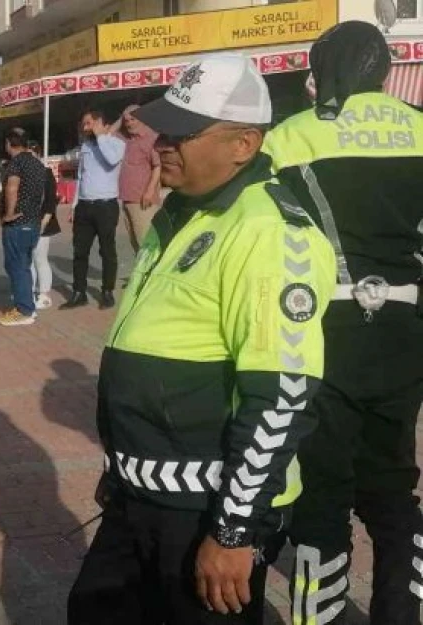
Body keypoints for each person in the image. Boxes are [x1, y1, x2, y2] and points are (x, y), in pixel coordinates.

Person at [67, 53, 337, 624]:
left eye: (186, 131)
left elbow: (282, 395)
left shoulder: (268, 233)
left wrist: (234, 530)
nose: (165, 142)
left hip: (208, 508)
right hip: (143, 494)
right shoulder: (181, 214)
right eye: (166, 126)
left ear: (244, 144)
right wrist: (123, 467)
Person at [260, 22, 423, 625]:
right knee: (394, 481)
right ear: (384, 71)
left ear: (319, 71)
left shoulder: (290, 136)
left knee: (322, 485)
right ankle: (399, 613)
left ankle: (318, 617)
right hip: (407, 328)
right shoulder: (421, 127)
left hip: (319, 327)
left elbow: (265, 234)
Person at [60, 108, 125, 310]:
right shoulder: (86, 147)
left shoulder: (117, 144)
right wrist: (74, 205)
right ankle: (79, 292)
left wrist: (101, 137)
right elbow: (81, 177)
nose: (85, 127)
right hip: (85, 206)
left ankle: (107, 291)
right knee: (80, 251)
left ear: (103, 124)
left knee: (107, 250)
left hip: (106, 205)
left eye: (90, 123)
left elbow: (111, 160)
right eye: (84, 124)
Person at [0, 128, 47, 326]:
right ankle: (27, 304)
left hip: (17, 223)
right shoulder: (37, 163)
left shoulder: (16, 163)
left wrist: (9, 214)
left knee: (16, 266)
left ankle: (24, 310)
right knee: (24, 266)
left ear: (9, 143)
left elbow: (12, 187)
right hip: (32, 222)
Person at [118, 104, 162, 254]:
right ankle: (141, 275)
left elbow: (157, 166)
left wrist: (149, 192)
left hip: (143, 200)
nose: (129, 123)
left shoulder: (151, 138)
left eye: (132, 119)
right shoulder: (127, 139)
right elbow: (107, 134)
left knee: (146, 243)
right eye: (126, 120)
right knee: (135, 243)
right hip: (127, 199)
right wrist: (122, 117)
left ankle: (151, 275)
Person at [27, 138, 61, 310]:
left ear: (38, 155)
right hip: (26, 222)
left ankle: (45, 294)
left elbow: (50, 200)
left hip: (42, 222)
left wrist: (44, 221)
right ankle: (30, 292)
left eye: (32, 154)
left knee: (40, 258)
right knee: (29, 261)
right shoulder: (22, 174)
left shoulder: (46, 173)